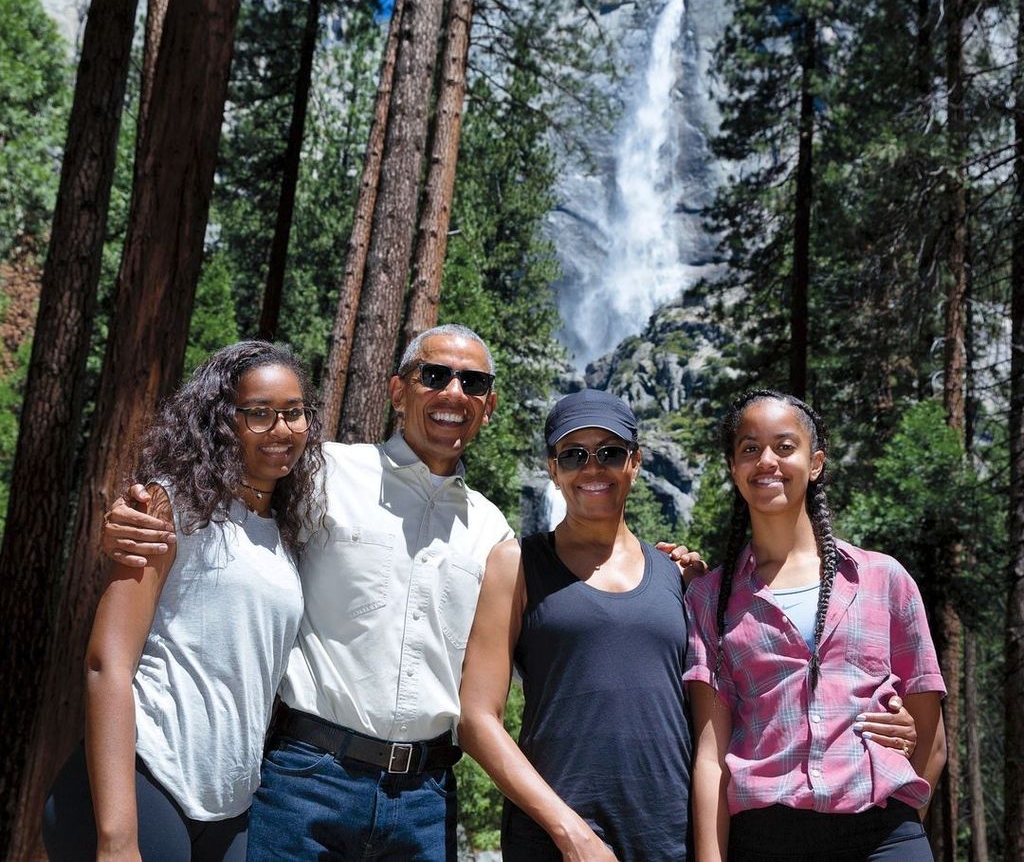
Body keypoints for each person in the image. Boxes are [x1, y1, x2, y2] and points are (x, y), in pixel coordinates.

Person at [100, 325, 514, 860]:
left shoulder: (493, 532)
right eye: (434, 375)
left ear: (489, 404)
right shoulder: (321, 471)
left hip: (424, 800)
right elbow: (214, 496)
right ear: (397, 391)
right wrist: (127, 516)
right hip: (306, 780)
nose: (454, 393)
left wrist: (659, 569)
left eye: (473, 382)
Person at [43, 341, 325, 861]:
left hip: (228, 809)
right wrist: (117, 838)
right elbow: (107, 664)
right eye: (258, 414)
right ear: (222, 421)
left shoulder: (285, 533)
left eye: (293, 412)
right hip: (143, 781)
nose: (281, 429)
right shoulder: (170, 505)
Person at [684, 390, 947, 861]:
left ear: (816, 462)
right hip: (767, 841)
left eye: (785, 446)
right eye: (749, 449)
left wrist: (902, 833)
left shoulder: (885, 580)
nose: (767, 461)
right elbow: (711, 757)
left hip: (882, 834)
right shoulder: (709, 598)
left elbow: (930, 737)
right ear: (733, 468)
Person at [458, 389, 694, 861]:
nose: (592, 468)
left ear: (635, 462)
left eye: (609, 452)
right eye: (573, 455)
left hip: (667, 834)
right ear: (552, 468)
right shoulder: (516, 563)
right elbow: (475, 718)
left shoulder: (677, 573)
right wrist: (571, 832)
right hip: (555, 839)